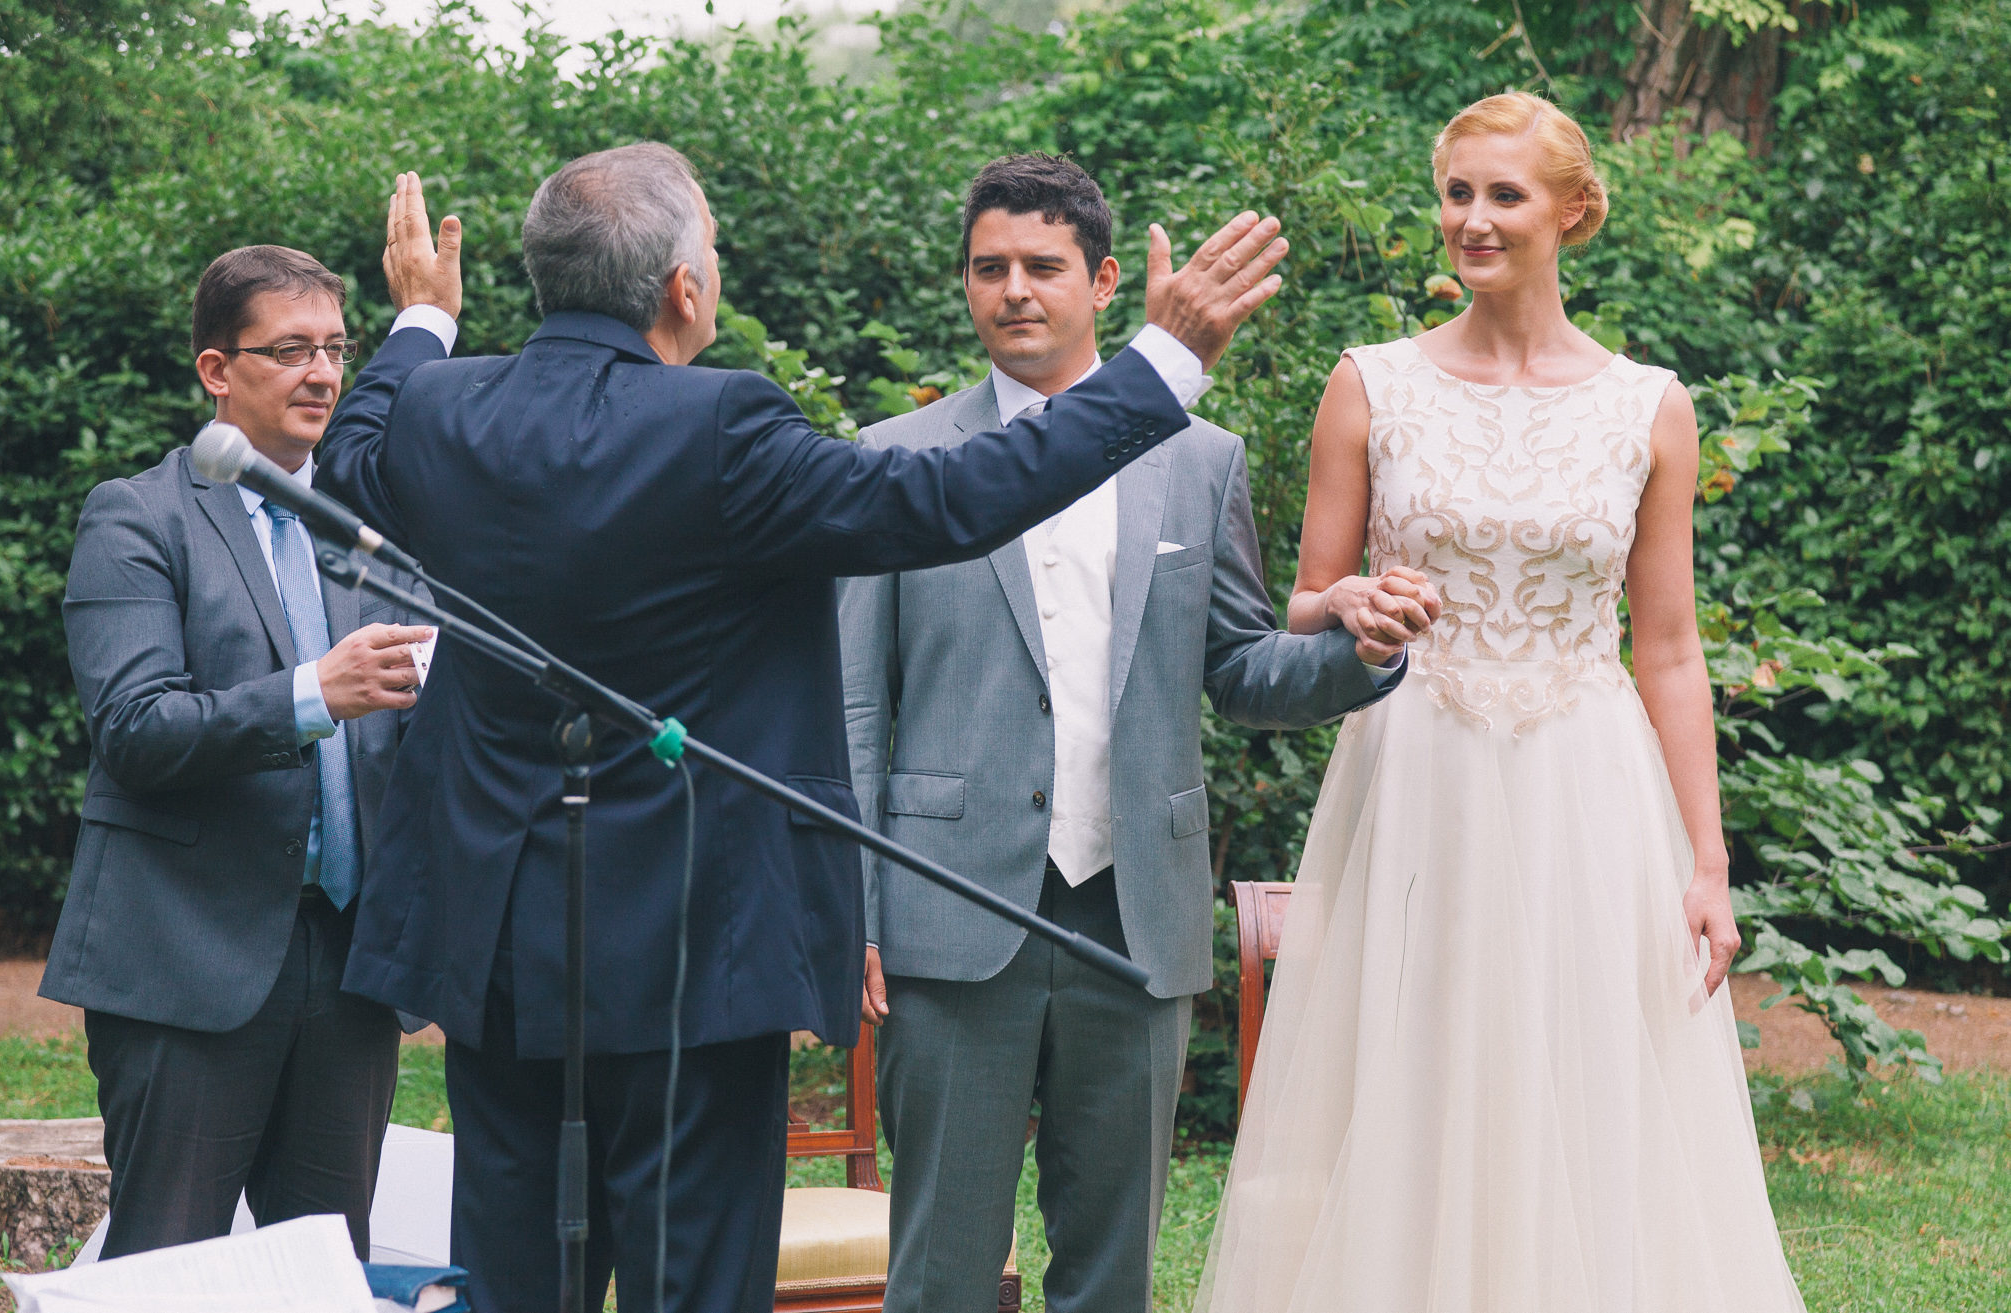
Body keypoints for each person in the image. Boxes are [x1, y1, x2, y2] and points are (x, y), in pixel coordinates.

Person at [316, 147, 1289, 1313]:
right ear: (683, 288)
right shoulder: (724, 426)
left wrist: (422, 319)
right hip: (695, 943)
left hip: (493, 933)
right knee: (695, 1278)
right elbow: (950, 500)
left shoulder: (440, 407)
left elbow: (347, 454)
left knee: (518, 1273)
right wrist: (1164, 360)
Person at [1192, 92, 1806, 1311]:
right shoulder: (1370, 385)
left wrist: (1708, 860)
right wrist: (1349, 600)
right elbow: (1300, 607)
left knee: (1584, 1069)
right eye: (1457, 193)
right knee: (1415, 1065)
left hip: (1587, 784)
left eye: (1504, 195)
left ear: (1573, 211)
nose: (1473, 219)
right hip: (1418, 769)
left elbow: (1668, 650)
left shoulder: (1649, 405)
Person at [836, 153, 1431, 1313]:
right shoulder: (897, 458)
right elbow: (857, 705)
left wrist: (1360, 654)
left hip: (1136, 912)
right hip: (948, 909)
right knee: (941, 1270)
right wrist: (850, 904)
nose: (1014, 289)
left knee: (1111, 1273)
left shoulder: (1198, 460)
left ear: (1104, 281)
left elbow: (1241, 668)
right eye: (988, 268)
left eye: (1042, 266)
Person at [41, 245, 436, 1259]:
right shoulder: (137, 515)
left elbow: (410, 733)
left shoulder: (366, 534)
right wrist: (314, 693)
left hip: (348, 966)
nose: (323, 374)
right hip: (188, 959)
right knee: (166, 1269)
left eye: (336, 348)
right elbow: (135, 728)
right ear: (217, 369)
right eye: (291, 350)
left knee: (324, 1270)